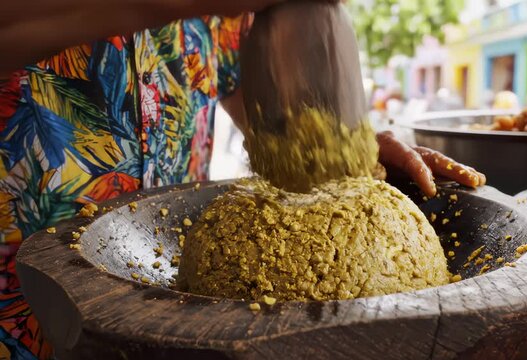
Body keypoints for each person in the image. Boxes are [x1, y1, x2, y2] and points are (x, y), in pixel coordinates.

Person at [0, 2, 483, 358]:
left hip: (170, 296)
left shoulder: (227, 20)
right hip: (22, 301)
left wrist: (346, 141)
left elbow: (280, 118)